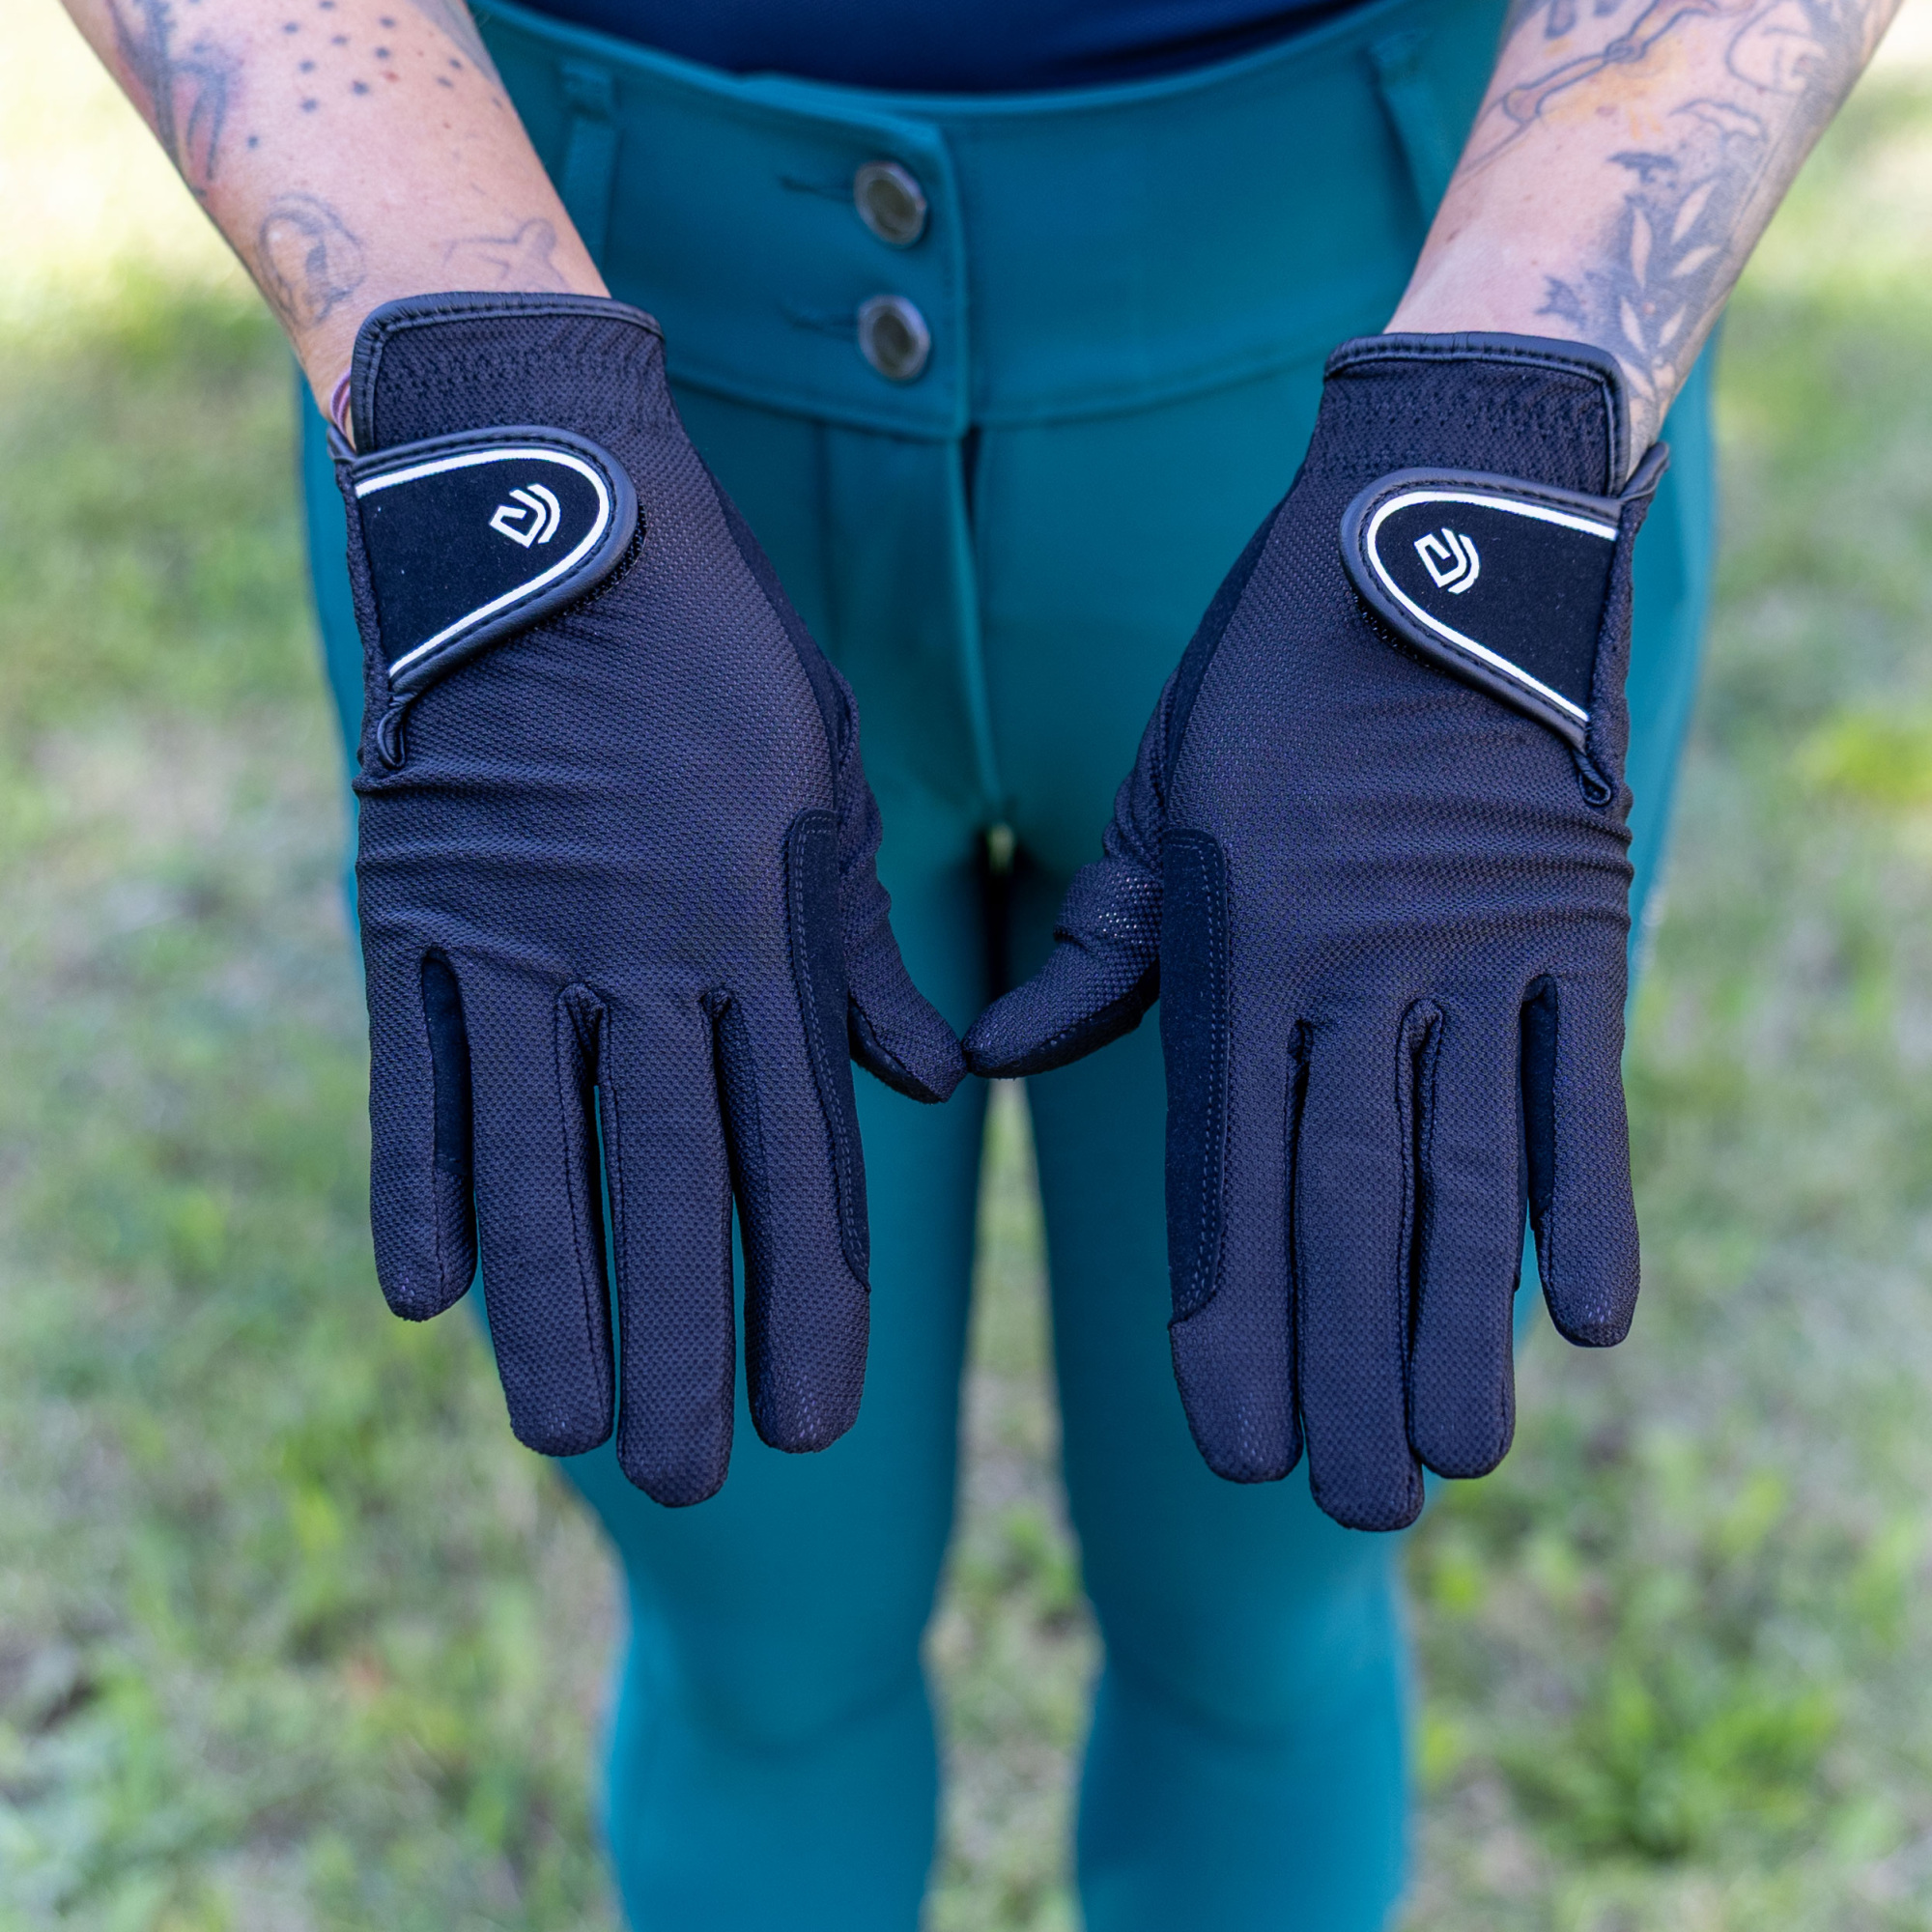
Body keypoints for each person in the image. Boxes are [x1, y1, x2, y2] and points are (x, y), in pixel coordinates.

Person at [57, 0, 1899, 1924]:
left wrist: (1495, 458)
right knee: (752, 1608)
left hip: (1423, 334)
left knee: (1275, 1570)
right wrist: (485, 428)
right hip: (529, 327)